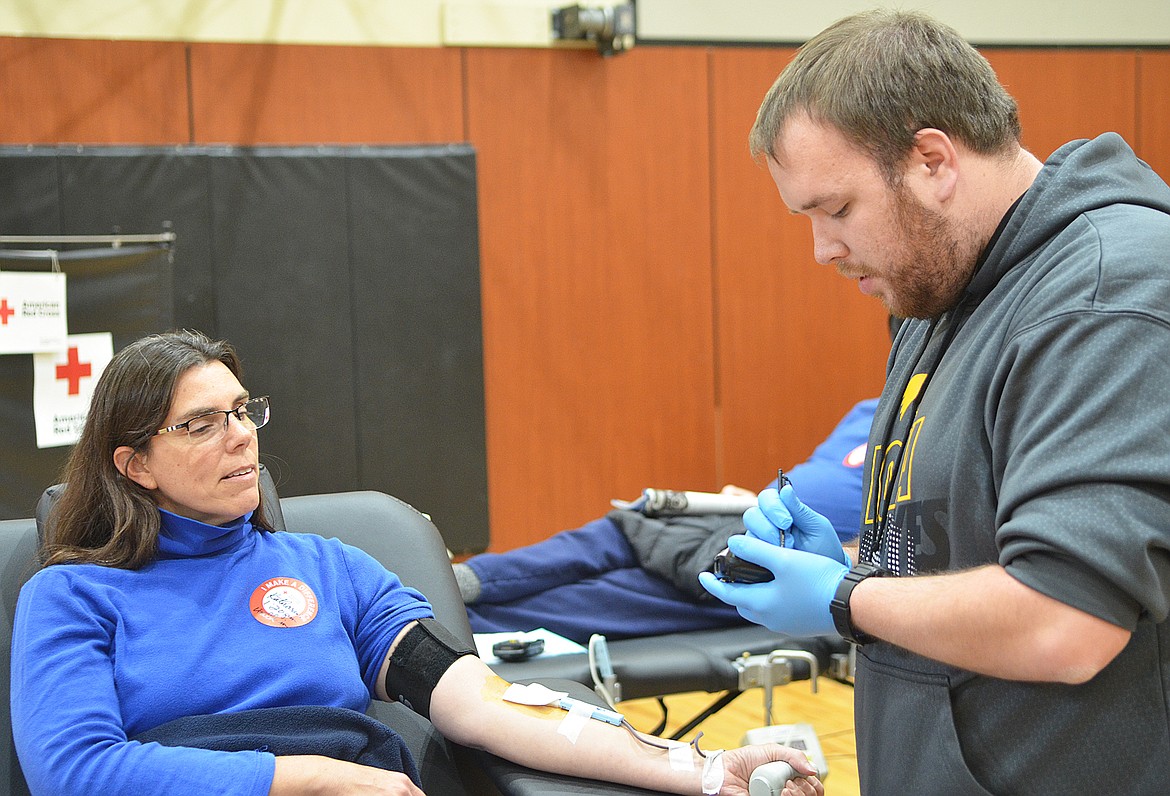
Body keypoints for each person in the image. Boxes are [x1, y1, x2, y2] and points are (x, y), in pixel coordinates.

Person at [9, 329, 823, 796]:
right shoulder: (73, 595)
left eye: (241, 411)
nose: (241, 436)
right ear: (134, 465)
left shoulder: (332, 569)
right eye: (200, 424)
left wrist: (708, 768)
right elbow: (78, 773)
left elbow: (484, 702)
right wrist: (320, 781)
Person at [699, 9, 1170, 795]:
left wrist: (845, 599)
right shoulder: (945, 293)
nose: (824, 250)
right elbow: (963, 554)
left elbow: (1066, 621)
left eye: (838, 209)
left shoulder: (1103, 294)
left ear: (931, 161)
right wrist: (859, 564)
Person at [460, 398, 875, 644]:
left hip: (770, 568)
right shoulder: (869, 410)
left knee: (595, 598)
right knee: (621, 526)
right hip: (736, 520)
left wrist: (836, 563)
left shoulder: (924, 430)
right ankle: (458, 581)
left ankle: (444, 618)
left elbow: (902, 547)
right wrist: (751, 499)